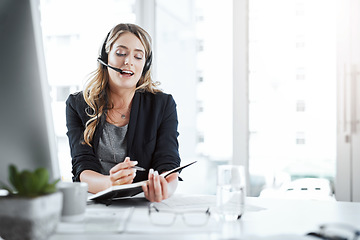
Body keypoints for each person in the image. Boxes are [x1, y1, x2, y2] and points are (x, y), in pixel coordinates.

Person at [65, 23, 181, 202]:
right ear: (105, 57)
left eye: (138, 56)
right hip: (97, 204)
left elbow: (168, 162)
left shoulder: (162, 105)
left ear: (146, 64)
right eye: (120, 53)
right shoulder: (78, 104)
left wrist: (166, 189)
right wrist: (109, 183)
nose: (129, 62)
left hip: (144, 204)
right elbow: (82, 167)